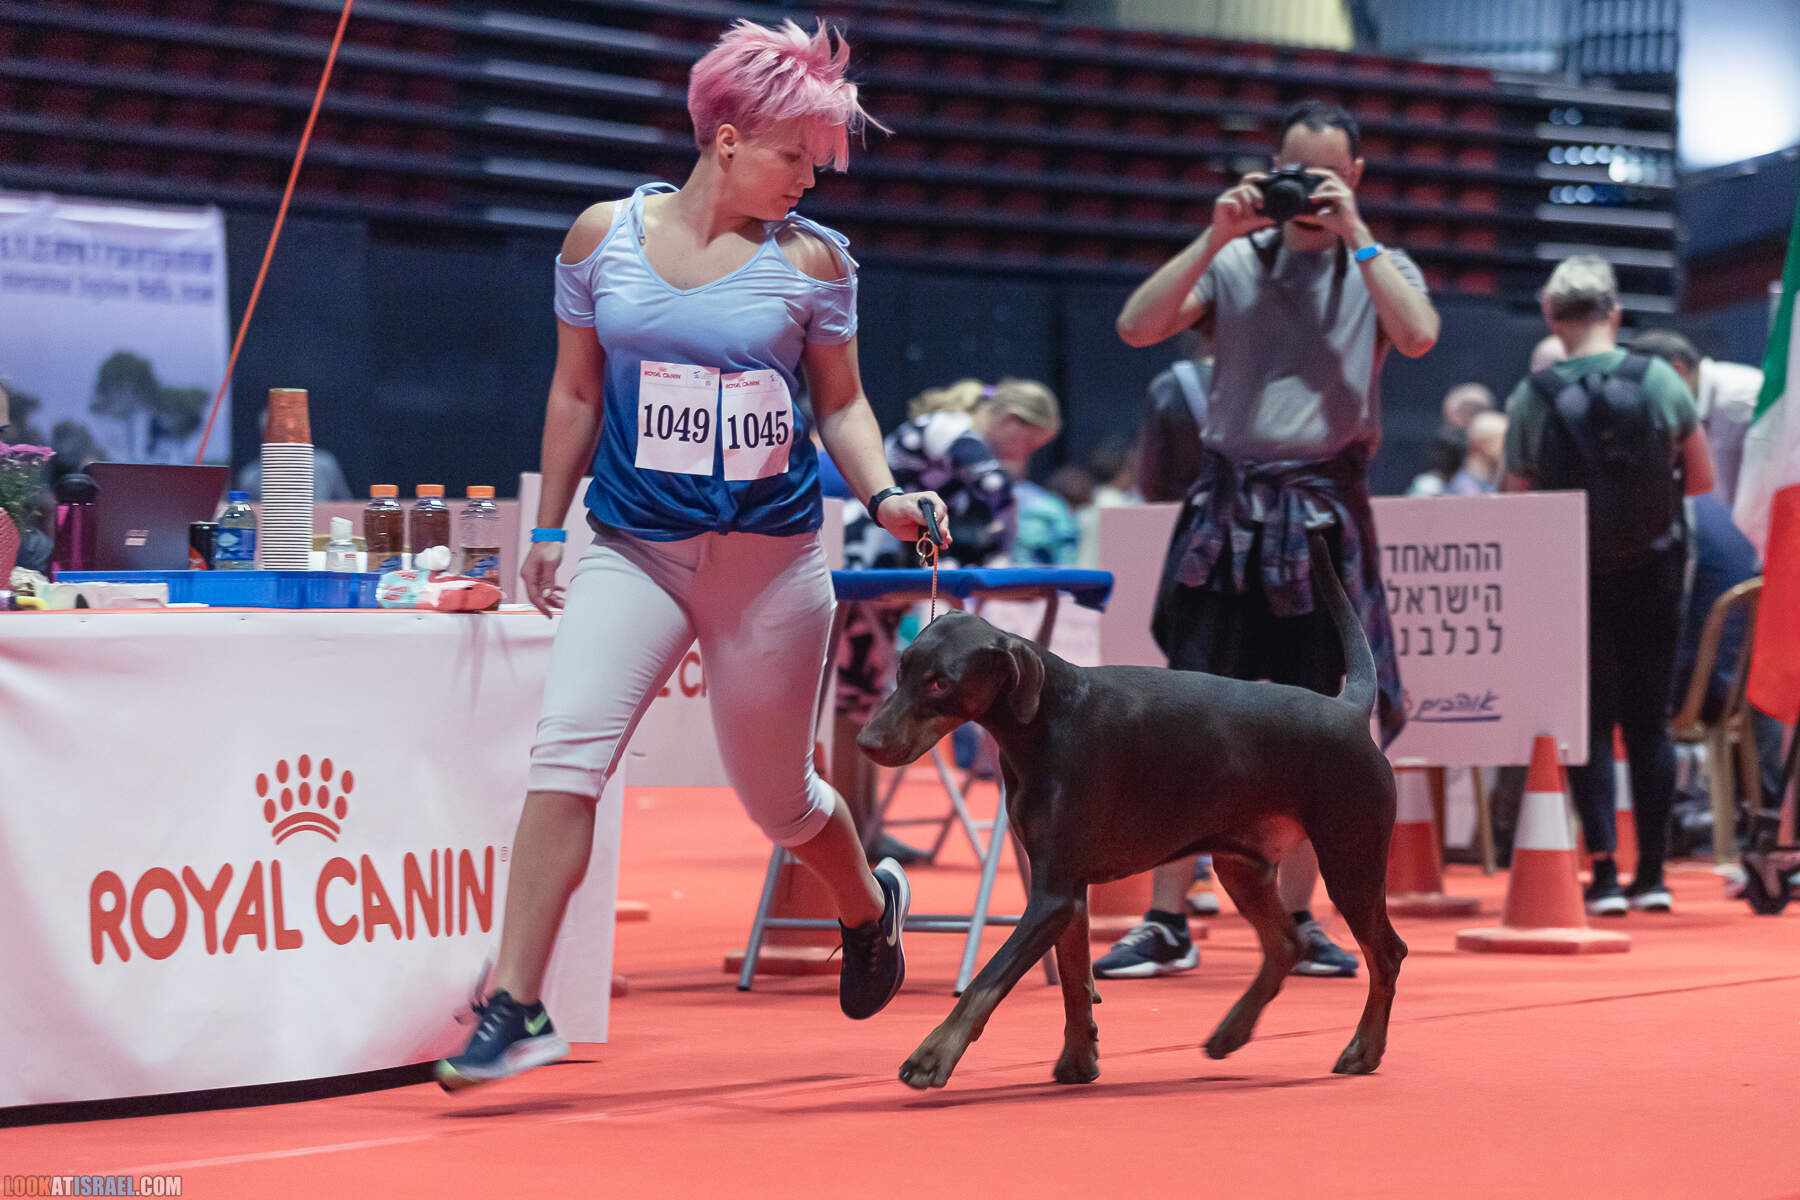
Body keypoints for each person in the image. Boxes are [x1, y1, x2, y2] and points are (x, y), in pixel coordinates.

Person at [435, 19, 949, 1090]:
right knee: (565, 757)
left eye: (817, 161)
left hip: (770, 567)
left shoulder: (813, 263)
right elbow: (575, 392)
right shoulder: (600, 239)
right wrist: (547, 527)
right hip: (637, 548)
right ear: (726, 138)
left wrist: (886, 494)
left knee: (780, 803)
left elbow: (842, 407)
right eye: (794, 155)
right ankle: (517, 1003)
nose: (809, 178)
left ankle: (869, 907)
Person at [1110, 99, 1438, 979]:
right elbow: (1137, 327)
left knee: (1323, 728)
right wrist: (1215, 235)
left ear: (1355, 176)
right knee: (1183, 718)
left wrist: (1357, 233)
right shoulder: (1236, 260)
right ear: (1271, 167)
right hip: (1226, 515)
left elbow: (1418, 337)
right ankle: (1166, 919)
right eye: (1295, 172)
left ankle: (1296, 922)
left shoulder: (1379, 264)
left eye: (1327, 176)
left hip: (1322, 516)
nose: (1309, 193)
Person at [1502, 255, 1713, 915]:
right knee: (1649, 721)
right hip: (1655, 569)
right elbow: (1702, 480)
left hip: (1572, 574)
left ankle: (1604, 879)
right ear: (1614, 312)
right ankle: (1654, 875)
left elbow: (1515, 496)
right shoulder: (1660, 379)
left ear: (1551, 316)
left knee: (1588, 721)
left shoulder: (1532, 395)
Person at [1631, 329, 1764, 515]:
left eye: (1651, 384)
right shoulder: (1701, 395)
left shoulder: (1736, 398)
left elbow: (1728, 494)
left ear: (1677, 369)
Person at [236, 408, 355, 502]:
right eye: (272, 432)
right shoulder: (250, 476)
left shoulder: (325, 464)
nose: (279, 437)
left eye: (283, 429)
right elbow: (248, 517)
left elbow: (346, 506)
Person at [1447, 410, 1506, 495]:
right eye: (1499, 440)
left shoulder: (1496, 479)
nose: (1504, 448)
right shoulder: (1465, 485)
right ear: (1478, 444)